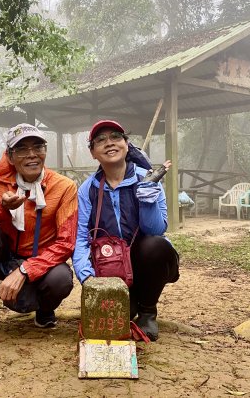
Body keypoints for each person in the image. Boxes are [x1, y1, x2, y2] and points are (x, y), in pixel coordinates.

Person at [0, 123, 78, 337]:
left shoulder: (64, 186)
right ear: (10, 157)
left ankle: (45, 310)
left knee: (61, 278)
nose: (32, 155)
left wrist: (24, 271)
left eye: (38, 147)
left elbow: (66, 242)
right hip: (6, 257)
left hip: (42, 262)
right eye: (22, 149)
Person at [72, 120, 180, 341]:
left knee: (155, 245)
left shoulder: (148, 178)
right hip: (110, 266)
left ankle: (148, 312)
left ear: (127, 144)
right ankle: (132, 304)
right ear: (93, 152)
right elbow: (81, 236)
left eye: (115, 137)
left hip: (144, 261)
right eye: (100, 140)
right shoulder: (88, 190)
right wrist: (86, 277)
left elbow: (156, 229)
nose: (109, 143)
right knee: (123, 315)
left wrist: (147, 197)